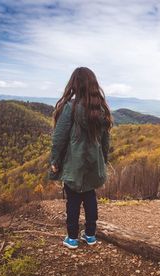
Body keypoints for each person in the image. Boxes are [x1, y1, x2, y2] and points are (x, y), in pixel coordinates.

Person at [50, 67, 112, 249]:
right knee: (90, 197)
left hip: (74, 165)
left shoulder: (70, 108)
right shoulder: (99, 110)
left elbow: (58, 139)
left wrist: (55, 161)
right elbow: (105, 141)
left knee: (73, 201)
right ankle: (91, 235)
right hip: (94, 163)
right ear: (93, 85)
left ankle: (72, 238)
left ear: (74, 85)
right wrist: (103, 161)